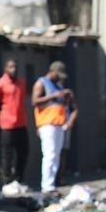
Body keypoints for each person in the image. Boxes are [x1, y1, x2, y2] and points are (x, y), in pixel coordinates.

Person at [32, 61, 77, 196]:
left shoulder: (58, 85)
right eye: (58, 75)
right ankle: (47, 186)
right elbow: (35, 101)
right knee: (49, 155)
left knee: (56, 156)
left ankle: (52, 184)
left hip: (58, 124)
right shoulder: (42, 83)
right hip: (47, 124)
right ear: (52, 71)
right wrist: (53, 95)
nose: (60, 78)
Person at [0, 59, 30, 186]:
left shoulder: (21, 82)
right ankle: (7, 181)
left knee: (24, 152)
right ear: (6, 68)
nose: (14, 69)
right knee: (7, 154)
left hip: (21, 123)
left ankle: (19, 178)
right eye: (11, 67)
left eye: (16, 66)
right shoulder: (0, 84)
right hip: (7, 124)